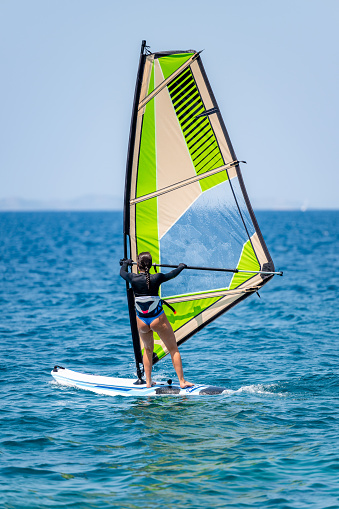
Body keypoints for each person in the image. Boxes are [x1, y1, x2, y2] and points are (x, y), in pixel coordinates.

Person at [120, 252, 194, 389]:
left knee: (147, 350)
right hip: (157, 319)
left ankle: (148, 382)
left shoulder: (132, 278)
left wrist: (125, 263)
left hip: (142, 321)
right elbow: (172, 274)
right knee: (173, 349)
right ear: (151, 264)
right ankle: (182, 382)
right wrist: (181, 267)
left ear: (139, 265)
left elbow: (122, 273)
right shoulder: (157, 278)